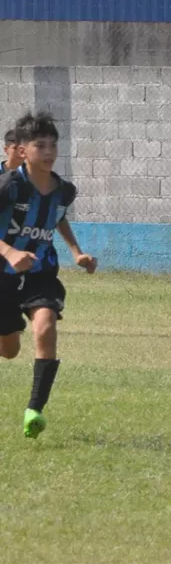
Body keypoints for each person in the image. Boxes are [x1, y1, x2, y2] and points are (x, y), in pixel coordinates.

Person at [0, 111, 98, 437]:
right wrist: (10, 252)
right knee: (9, 351)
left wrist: (76, 252)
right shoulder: (10, 187)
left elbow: (58, 217)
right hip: (3, 276)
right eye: (39, 145)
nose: (48, 152)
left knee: (45, 326)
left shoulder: (64, 191)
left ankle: (34, 410)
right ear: (22, 150)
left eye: (52, 145)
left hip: (40, 274)